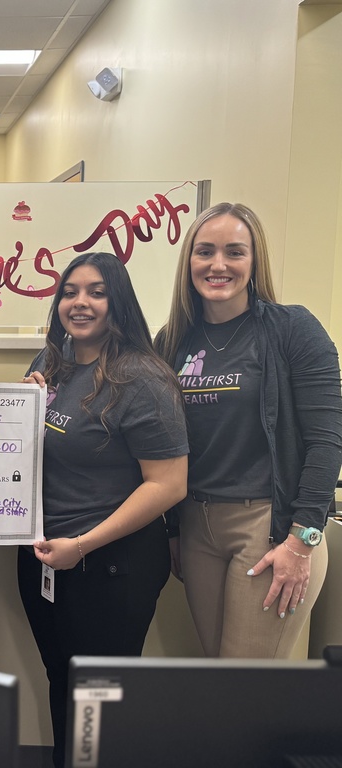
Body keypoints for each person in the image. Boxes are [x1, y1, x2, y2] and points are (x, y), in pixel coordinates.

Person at [21, 251, 188, 767]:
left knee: (98, 696)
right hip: (48, 557)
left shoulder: (142, 378)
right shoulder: (49, 363)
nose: (80, 302)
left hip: (112, 564)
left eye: (96, 291)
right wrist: (18, 407)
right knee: (61, 679)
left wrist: (84, 545)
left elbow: (168, 484)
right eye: (70, 291)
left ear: (118, 302)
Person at [155, 202, 342, 658]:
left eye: (234, 252)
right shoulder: (172, 340)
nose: (218, 265)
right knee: (221, 676)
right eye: (205, 252)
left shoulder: (293, 329)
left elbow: (328, 438)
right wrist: (173, 532)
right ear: (189, 263)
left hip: (271, 526)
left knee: (246, 682)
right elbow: (161, 445)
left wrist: (303, 540)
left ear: (254, 262)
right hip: (198, 524)